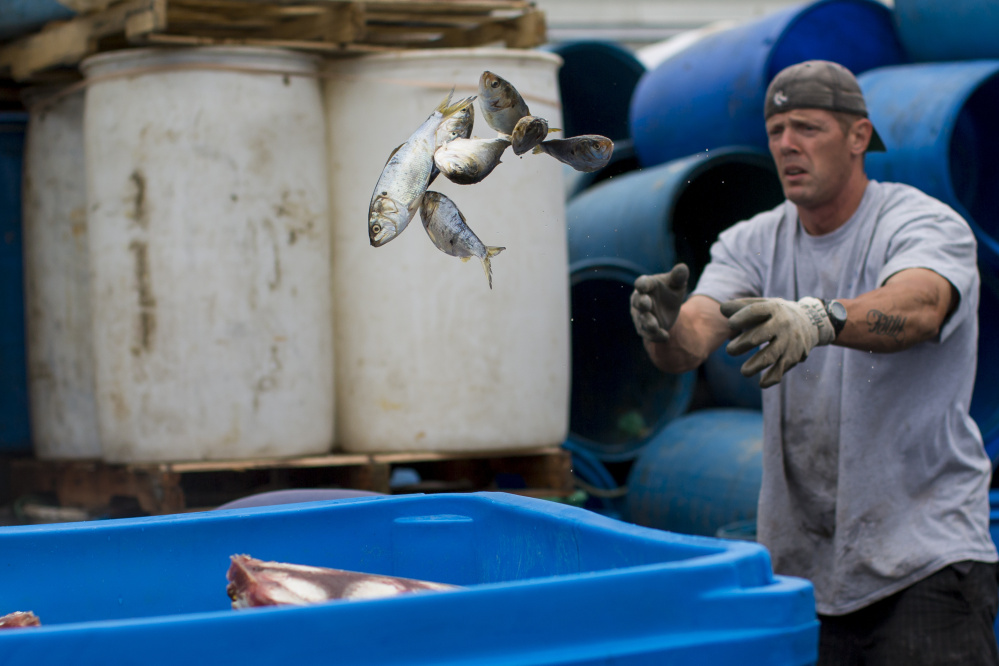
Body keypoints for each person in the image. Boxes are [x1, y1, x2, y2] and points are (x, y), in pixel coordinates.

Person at [630, 59, 999, 665]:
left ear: (859, 137)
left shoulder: (920, 222)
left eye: (807, 127)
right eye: (776, 131)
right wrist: (664, 328)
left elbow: (923, 304)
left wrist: (819, 319)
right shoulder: (754, 241)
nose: (787, 145)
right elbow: (695, 333)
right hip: (806, 571)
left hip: (925, 561)